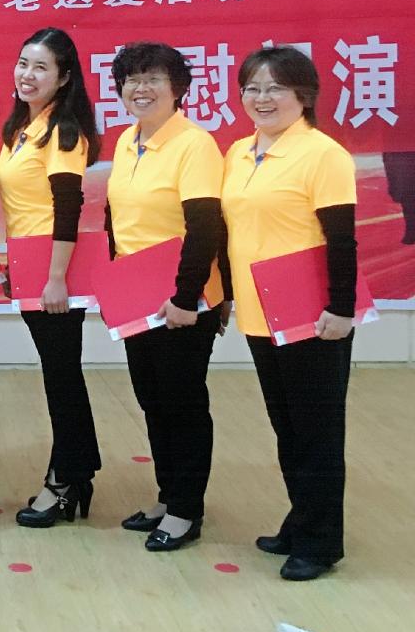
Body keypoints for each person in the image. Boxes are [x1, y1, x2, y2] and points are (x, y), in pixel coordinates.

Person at [223, 46, 358, 581]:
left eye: (276, 88)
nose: (263, 98)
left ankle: (321, 543)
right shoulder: (239, 152)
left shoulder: (323, 154)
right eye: (252, 88)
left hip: (312, 316)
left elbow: (341, 240)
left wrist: (341, 309)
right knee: (288, 428)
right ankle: (300, 521)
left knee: (317, 433)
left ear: (304, 95)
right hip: (261, 312)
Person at [103, 44, 230, 552]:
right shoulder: (126, 140)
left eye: (154, 78)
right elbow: (117, 220)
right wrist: (115, 286)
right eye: (132, 79)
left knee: (183, 402)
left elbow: (205, 228)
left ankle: (186, 509)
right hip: (137, 296)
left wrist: (186, 298)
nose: (141, 88)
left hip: (182, 300)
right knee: (152, 399)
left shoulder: (195, 144)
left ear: (178, 88)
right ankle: (168, 494)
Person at [0, 27, 102, 528]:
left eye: (41, 67)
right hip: (32, 264)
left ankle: (66, 480)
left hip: (54, 272)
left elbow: (67, 206)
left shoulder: (63, 131)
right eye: (23, 63)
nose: (27, 74)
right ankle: (77, 471)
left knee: (62, 377)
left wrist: (56, 278)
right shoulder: (25, 126)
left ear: (63, 78)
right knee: (60, 374)